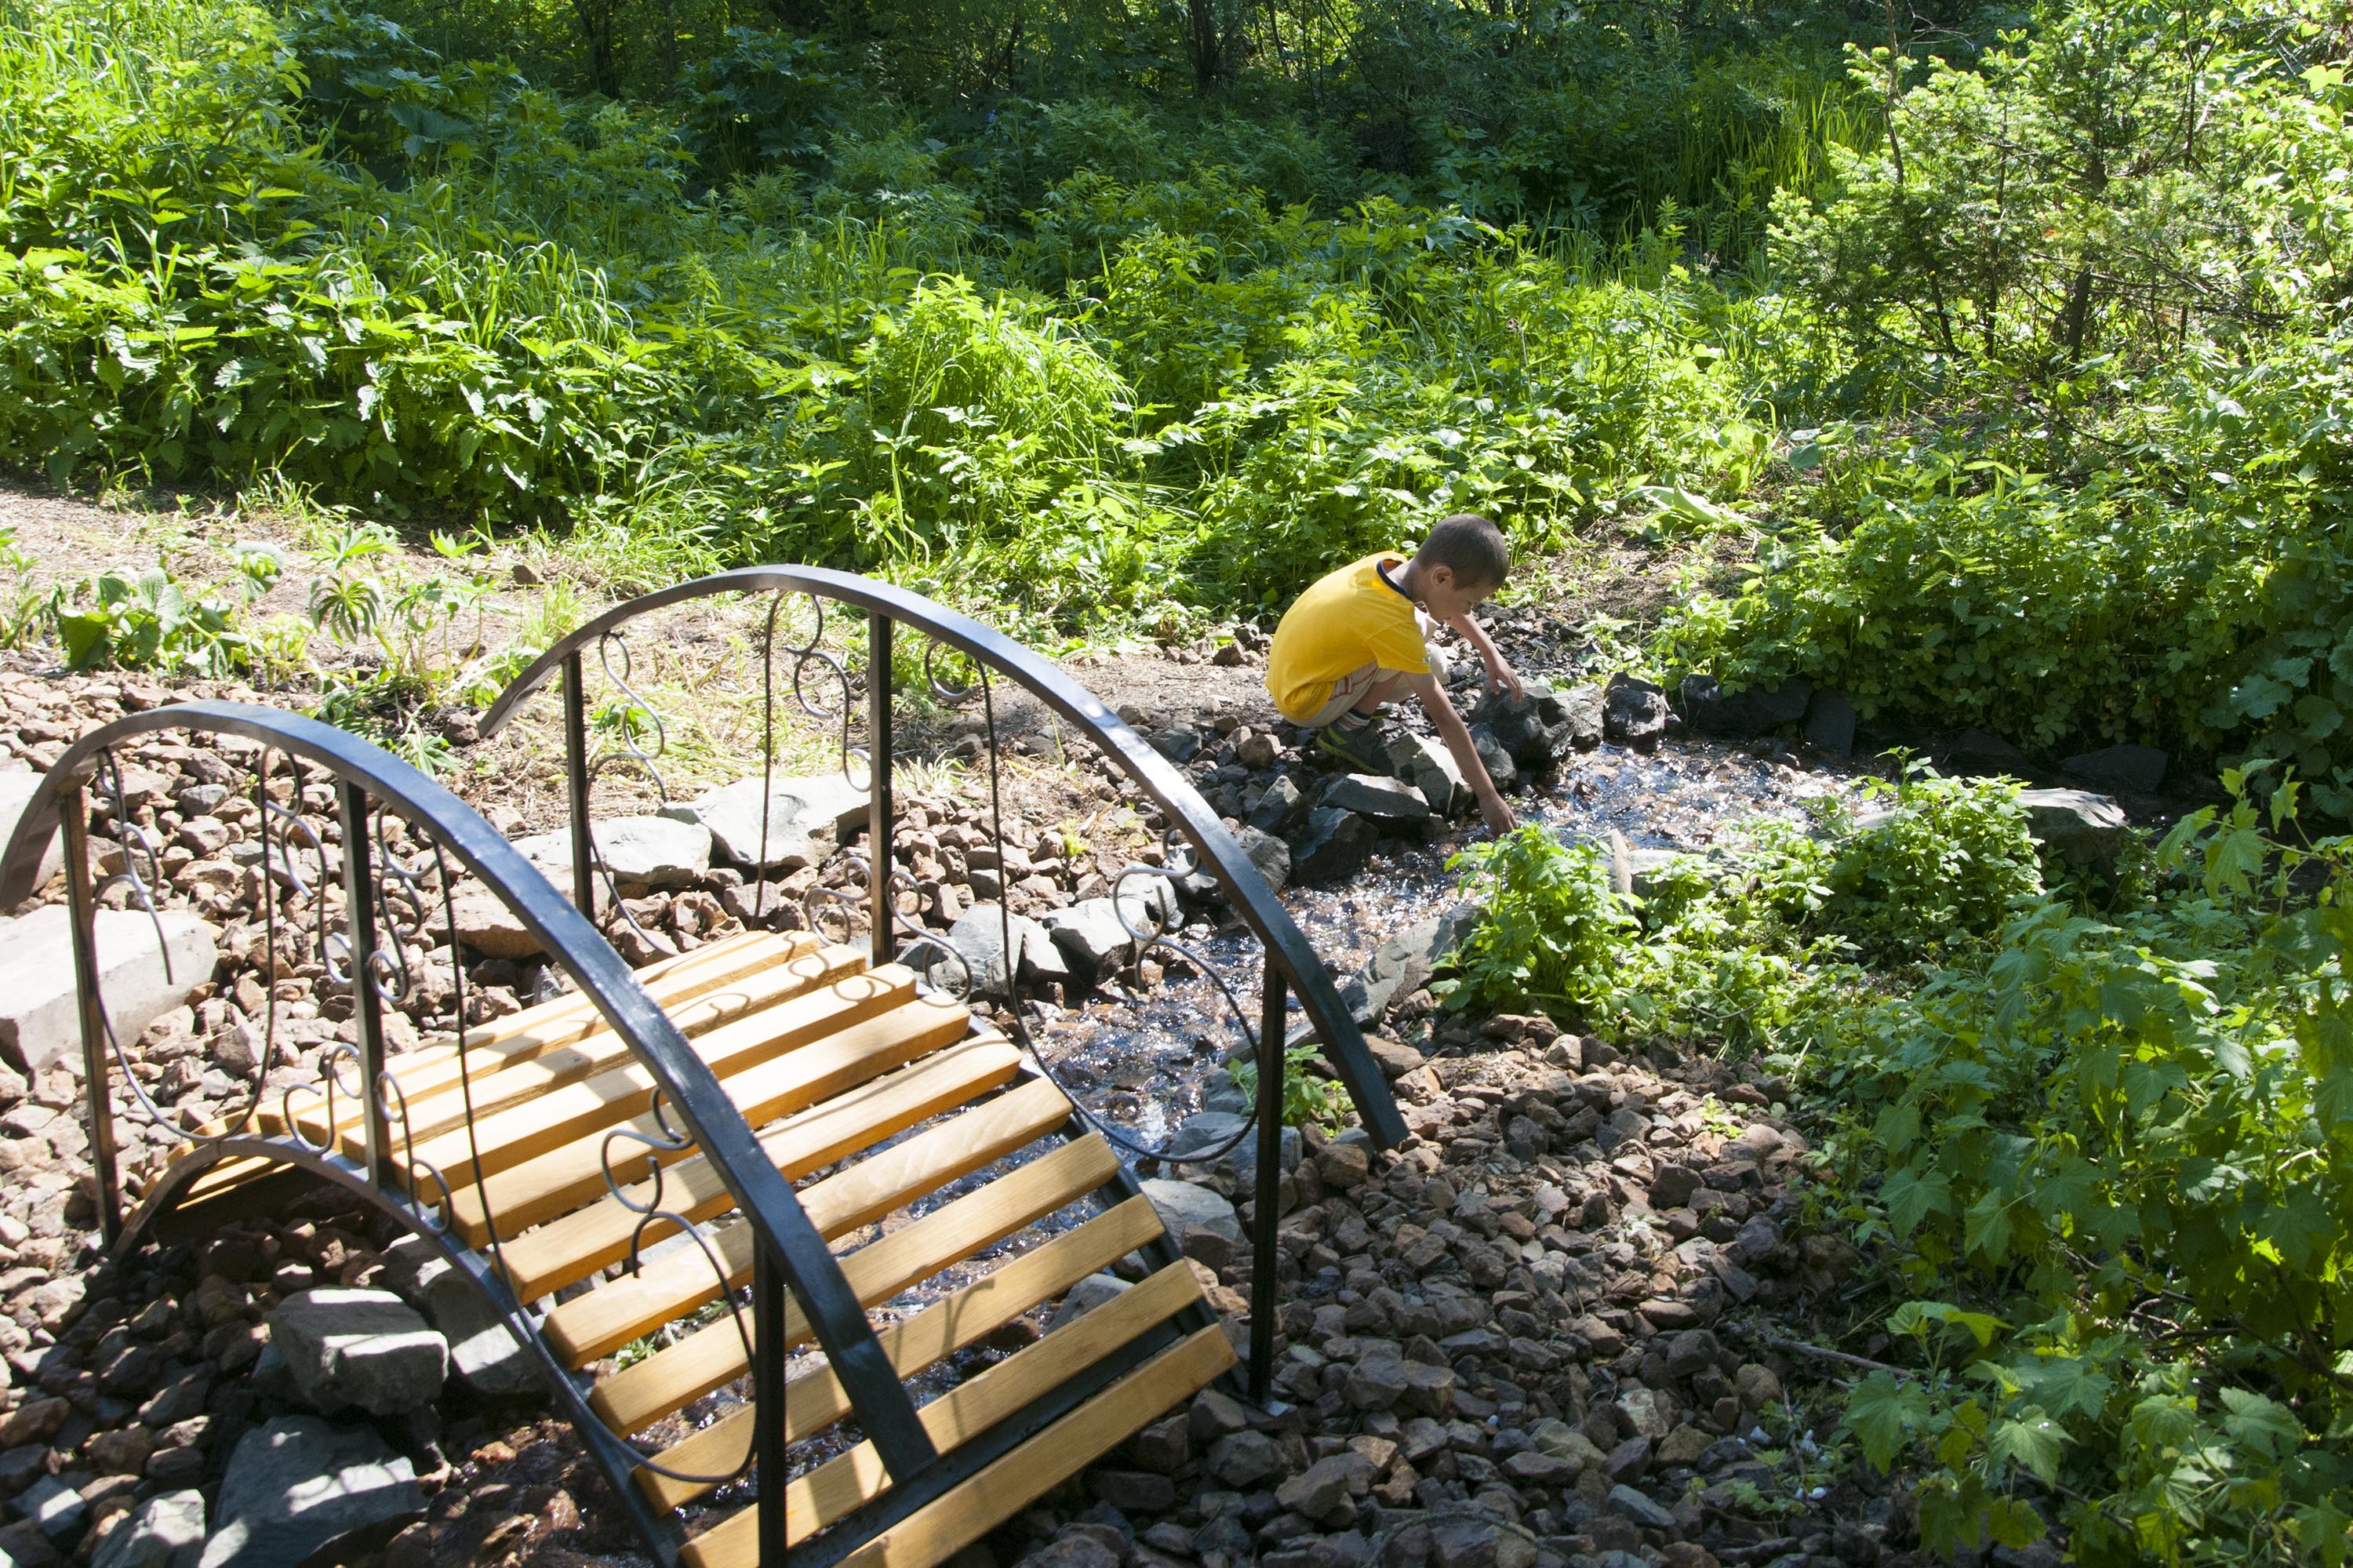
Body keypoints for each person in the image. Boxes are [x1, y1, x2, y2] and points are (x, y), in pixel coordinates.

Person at [1265, 514, 1522, 835]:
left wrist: (1490, 653)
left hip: (1294, 673)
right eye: (1470, 602)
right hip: (1304, 700)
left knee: (1430, 656)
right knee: (1411, 637)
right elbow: (1444, 716)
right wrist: (1488, 796)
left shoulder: (1394, 565)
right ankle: (1346, 732)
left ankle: (1355, 704)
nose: (1468, 611)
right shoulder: (1389, 619)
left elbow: (1441, 612)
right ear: (1442, 577)